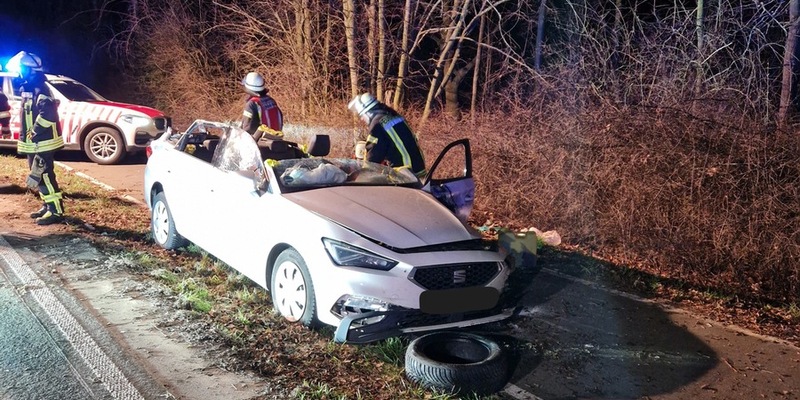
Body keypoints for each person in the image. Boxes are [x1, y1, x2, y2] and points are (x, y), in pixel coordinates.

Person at [15, 51, 65, 225]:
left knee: (44, 175)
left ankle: (56, 211)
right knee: (37, 174)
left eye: (22, 68)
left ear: (31, 70)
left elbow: (48, 115)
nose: (20, 72)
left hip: (43, 142)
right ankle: (47, 205)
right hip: (34, 143)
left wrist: (33, 132)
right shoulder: (29, 87)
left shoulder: (40, 89)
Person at [347, 93, 427, 178]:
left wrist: (363, 176)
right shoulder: (393, 116)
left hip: (405, 173)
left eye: (362, 115)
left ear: (368, 112)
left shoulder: (377, 125)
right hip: (419, 168)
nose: (362, 119)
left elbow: (374, 155)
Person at [240, 72, 283, 139]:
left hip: (259, 144)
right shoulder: (271, 100)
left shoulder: (252, 103)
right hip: (276, 141)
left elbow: (246, 129)